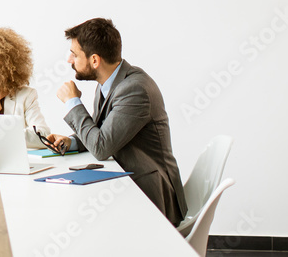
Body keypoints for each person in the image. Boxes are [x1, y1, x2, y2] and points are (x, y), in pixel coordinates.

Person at [45, 17, 187, 226]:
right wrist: (71, 142)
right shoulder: (108, 84)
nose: (69, 60)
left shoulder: (134, 90)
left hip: (152, 195)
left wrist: (72, 102)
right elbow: (101, 132)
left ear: (95, 60)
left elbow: (101, 147)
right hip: (128, 183)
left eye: (74, 54)